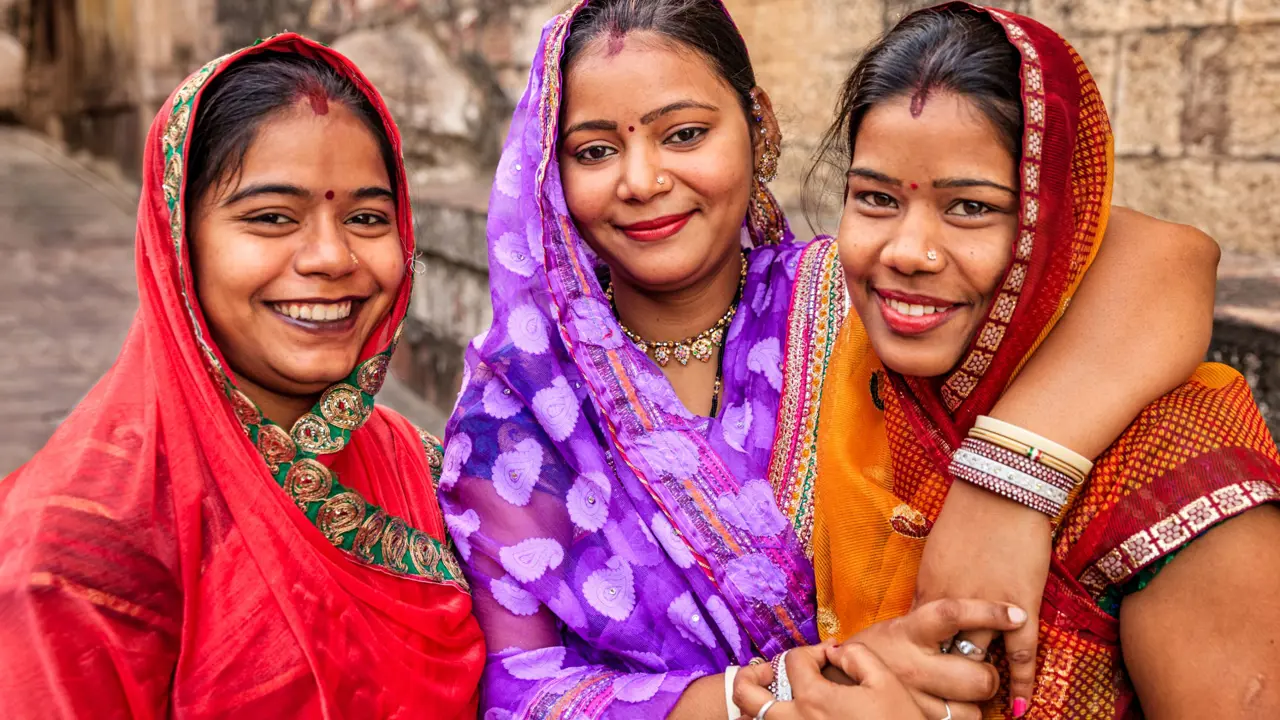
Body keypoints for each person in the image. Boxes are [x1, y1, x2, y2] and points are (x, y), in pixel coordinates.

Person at [440, 0, 1222, 717]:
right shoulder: (521, 400)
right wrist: (768, 700)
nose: (643, 181)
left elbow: (1168, 261)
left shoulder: (863, 298)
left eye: (684, 134)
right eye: (596, 149)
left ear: (758, 125)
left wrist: (1005, 490)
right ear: (548, 170)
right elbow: (517, 686)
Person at [809, 4, 1280, 718]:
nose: (907, 251)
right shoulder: (840, 364)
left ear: (1055, 221)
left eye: (970, 207)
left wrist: (1008, 479)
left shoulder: (1176, 468)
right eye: (874, 198)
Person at [0, 35, 484, 718]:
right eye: (271, 218)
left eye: (367, 217)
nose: (331, 256)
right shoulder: (75, 556)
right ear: (179, 244)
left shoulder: (423, 467)